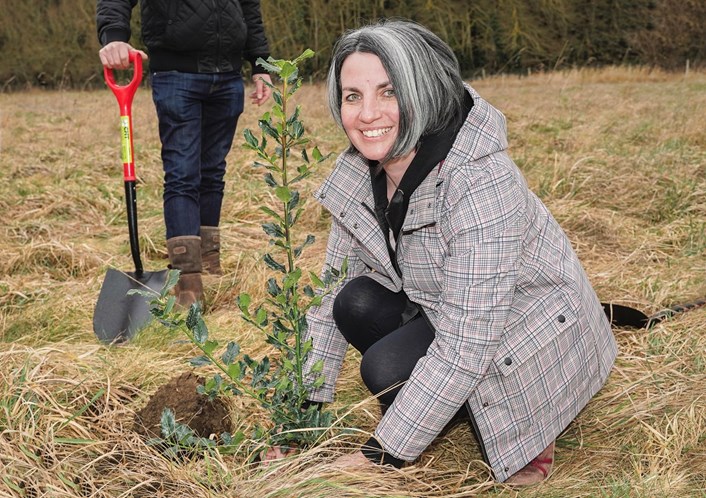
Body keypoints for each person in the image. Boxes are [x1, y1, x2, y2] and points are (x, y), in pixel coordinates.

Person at [299, 19, 618, 485]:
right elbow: (328, 299)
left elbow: (470, 339)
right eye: (353, 96)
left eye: (389, 92)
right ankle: (446, 410)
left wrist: (381, 456)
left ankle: (529, 422)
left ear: (422, 90)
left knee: (385, 366)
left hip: (527, 333)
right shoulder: (360, 172)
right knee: (353, 300)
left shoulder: (480, 180)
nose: (367, 114)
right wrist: (302, 410)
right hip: (448, 309)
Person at [96, 0, 273, 307]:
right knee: (182, 175)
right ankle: (188, 286)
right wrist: (114, 38)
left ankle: (209, 268)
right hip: (177, 73)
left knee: (213, 173)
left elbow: (249, 6)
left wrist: (260, 63)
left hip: (229, 75)